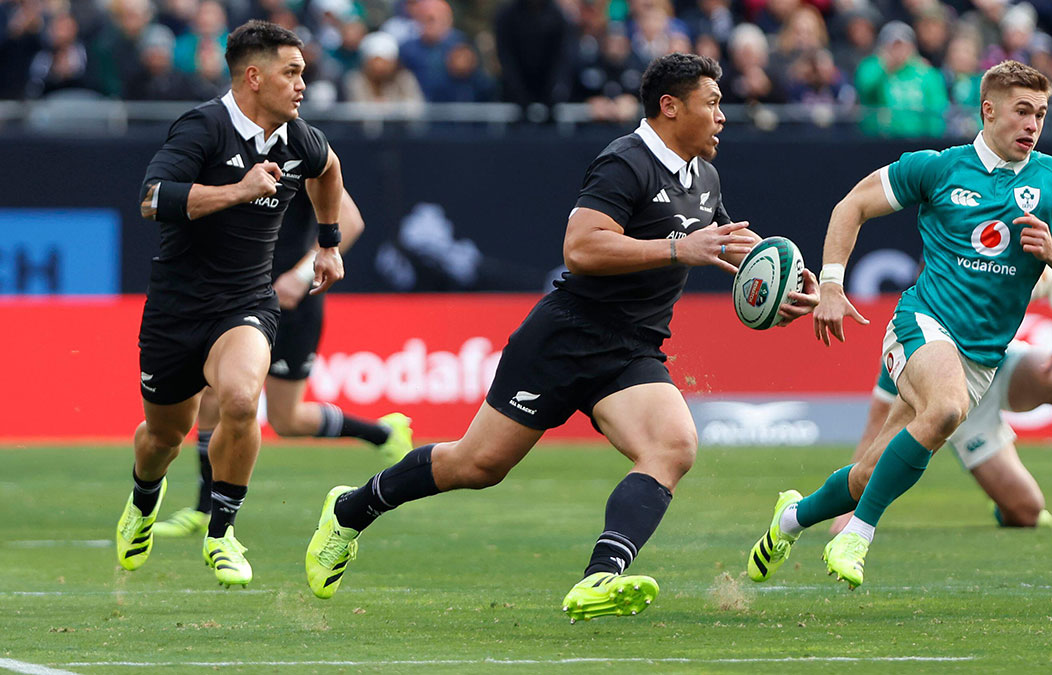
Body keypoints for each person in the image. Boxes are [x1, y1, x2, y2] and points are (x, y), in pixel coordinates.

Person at [302, 53, 819, 619]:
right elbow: (581, 247)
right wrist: (677, 249)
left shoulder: (704, 177)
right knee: (477, 467)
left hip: (632, 351)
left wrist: (791, 283)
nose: (723, 116)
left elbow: (730, 246)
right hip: (565, 338)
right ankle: (351, 510)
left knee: (672, 447)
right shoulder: (626, 161)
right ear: (670, 107)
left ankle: (599, 578)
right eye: (713, 103)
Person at [745, 60, 1052, 590]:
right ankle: (857, 536)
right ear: (989, 110)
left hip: (982, 357)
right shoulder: (938, 169)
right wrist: (831, 285)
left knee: (869, 473)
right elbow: (853, 205)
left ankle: (789, 520)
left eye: (1041, 114)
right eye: (1022, 111)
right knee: (946, 408)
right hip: (922, 323)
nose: (1033, 125)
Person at [115, 20, 347, 588]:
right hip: (175, 309)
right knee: (164, 438)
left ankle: (222, 533)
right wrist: (239, 190)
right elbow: (151, 199)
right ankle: (144, 501)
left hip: (246, 301)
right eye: (291, 72)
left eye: (303, 73)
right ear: (253, 76)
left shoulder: (300, 138)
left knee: (242, 400)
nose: (301, 85)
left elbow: (329, 170)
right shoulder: (203, 127)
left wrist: (329, 242)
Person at [153, 188, 414, 539]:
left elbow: (351, 222)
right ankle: (205, 508)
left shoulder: (304, 150)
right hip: (240, 298)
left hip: (291, 304)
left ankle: (383, 433)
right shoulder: (233, 150)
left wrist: (301, 275)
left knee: (286, 420)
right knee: (212, 395)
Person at [826, 266, 1052, 536]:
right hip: (962, 409)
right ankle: (1003, 502)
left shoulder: (991, 276)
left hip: (1000, 369)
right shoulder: (912, 329)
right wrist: (848, 506)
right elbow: (878, 421)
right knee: (1027, 513)